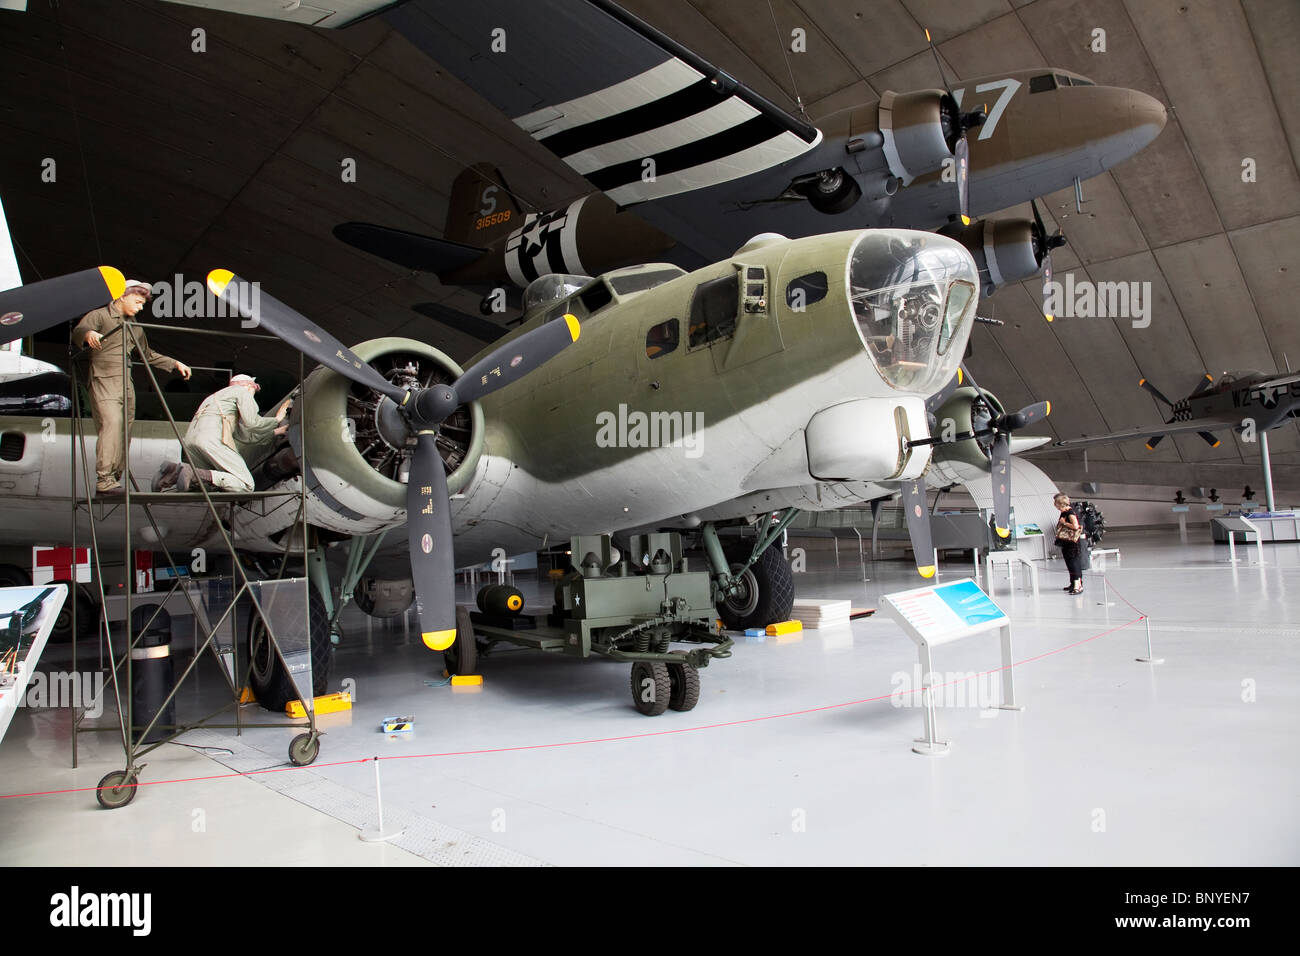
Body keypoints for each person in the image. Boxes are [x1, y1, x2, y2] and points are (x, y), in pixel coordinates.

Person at [73, 280, 192, 493]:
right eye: (137, 302)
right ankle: (104, 479)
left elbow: (146, 354)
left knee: (125, 429)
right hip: (104, 379)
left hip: (125, 383)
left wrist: (174, 363)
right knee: (111, 423)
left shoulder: (134, 326)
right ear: (122, 296)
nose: (140, 307)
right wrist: (89, 335)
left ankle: (114, 478)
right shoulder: (100, 315)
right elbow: (80, 330)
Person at [155, 374, 287, 493]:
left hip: (190, 442)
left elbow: (243, 435)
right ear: (248, 385)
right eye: (254, 389)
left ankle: (172, 473)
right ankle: (192, 472)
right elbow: (252, 423)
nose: (254, 393)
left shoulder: (214, 398)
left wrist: (276, 432)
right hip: (211, 439)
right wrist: (276, 420)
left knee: (205, 487)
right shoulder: (242, 392)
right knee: (246, 485)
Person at [1053, 492, 1084, 594]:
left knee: (1073, 562)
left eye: (1057, 504)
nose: (1056, 506)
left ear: (1061, 504)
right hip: (1066, 542)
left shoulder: (1070, 513)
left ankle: (1078, 585)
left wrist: (1064, 523)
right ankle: (1073, 583)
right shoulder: (1064, 512)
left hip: (1071, 543)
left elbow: (1075, 526)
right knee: (1069, 563)